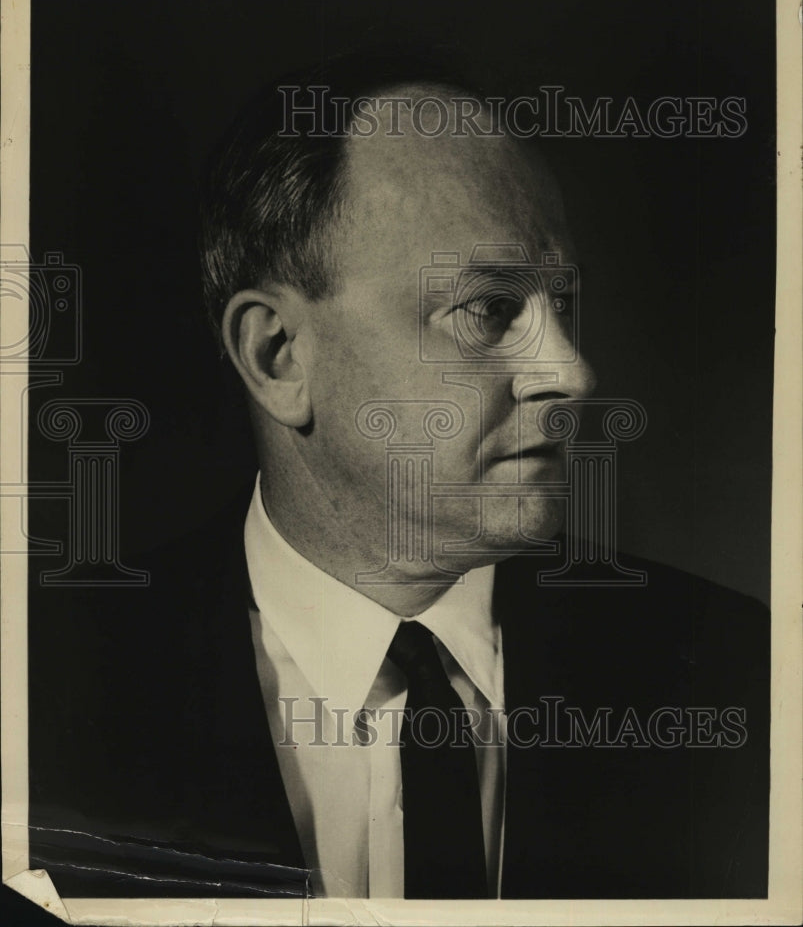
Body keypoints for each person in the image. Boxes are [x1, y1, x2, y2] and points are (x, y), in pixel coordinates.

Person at [29, 49, 769, 901]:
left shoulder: (732, 674)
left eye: (561, 305)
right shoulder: (48, 694)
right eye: (488, 308)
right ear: (277, 356)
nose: (569, 370)